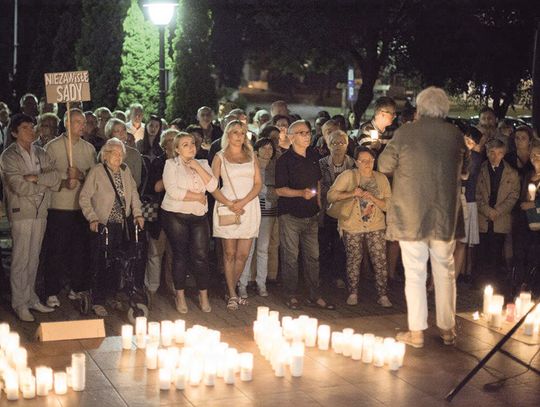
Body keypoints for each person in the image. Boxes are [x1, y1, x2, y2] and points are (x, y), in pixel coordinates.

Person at [378, 87, 467, 348]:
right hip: (444, 215)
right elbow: (466, 168)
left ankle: (416, 332)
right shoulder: (455, 134)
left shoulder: (406, 132)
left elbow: (384, 166)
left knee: (415, 273)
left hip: (411, 214)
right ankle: (448, 329)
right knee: (445, 271)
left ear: (420, 108)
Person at [0, 114, 60, 321]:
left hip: (40, 211)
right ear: (15, 132)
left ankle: (31, 297)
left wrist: (35, 178)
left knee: (34, 257)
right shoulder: (9, 156)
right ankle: (19, 302)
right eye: (25, 127)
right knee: (20, 258)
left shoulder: (41, 153)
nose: (31, 130)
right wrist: (42, 183)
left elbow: (56, 178)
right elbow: (18, 186)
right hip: (21, 212)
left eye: (32, 126)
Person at [79, 138, 144, 316]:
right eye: (114, 153)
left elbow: (134, 194)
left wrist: (137, 213)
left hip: (121, 225)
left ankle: (112, 295)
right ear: (106, 155)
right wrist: (92, 218)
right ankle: (97, 299)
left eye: (121, 153)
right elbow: (84, 197)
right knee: (100, 262)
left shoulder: (125, 170)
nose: (118, 157)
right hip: (102, 226)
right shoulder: (97, 171)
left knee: (118, 262)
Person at [275, 120, 335, 311]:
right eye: (302, 133)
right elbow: (280, 190)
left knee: (313, 257)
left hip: (311, 216)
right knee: (290, 257)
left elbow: (317, 181)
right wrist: (301, 193)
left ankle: (314, 294)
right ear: (292, 138)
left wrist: (319, 206)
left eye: (308, 132)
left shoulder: (313, 155)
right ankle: (290, 294)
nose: (307, 135)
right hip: (290, 215)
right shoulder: (283, 161)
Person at [42, 108, 97, 308]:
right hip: (59, 207)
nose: (82, 126)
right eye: (77, 122)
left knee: (79, 250)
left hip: (81, 207)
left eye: (83, 122)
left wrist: (81, 175)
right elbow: (45, 176)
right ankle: (51, 291)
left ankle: (76, 287)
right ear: (67, 123)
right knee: (56, 251)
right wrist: (65, 181)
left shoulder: (89, 149)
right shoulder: (52, 147)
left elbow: (94, 176)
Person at [328, 146, 392, 307]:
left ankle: (382, 294)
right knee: (354, 259)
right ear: (356, 162)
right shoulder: (349, 176)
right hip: (352, 224)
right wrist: (352, 194)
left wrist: (374, 199)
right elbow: (331, 195)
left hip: (376, 224)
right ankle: (353, 292)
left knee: (380, 260)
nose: (367, 164)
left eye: (370, 160)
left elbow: (389, 206)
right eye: (363, 161)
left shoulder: (381, 179)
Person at [161, 132, 217, 313]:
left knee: (201, 256)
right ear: (176, 149)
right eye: (185, 144)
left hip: (199, 216)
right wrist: (197, 196)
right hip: (175, 215)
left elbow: (213, 186)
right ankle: (180, 296)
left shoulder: (203, 163)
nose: (191, 147)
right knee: (180, 255)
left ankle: (204, 296)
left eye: (192, 143)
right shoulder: (171, 164)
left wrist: (197, 167)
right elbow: (172, 191)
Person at [211, 120, 262, 310]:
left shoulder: (251, 155)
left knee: (243, 254)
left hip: (248, 206)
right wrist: (230, 203)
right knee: (229, 253)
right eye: (235, 132)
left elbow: (258, 184)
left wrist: (243, 201)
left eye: (242, 132)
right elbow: (213, 186)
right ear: (228, 135)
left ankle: (230, 288)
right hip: (228, 206)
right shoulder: (220, 156)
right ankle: (233, 294)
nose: (239, 136)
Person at [476, 138, 520, 293]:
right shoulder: (481, 170)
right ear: (487, 153)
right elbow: (477, 194)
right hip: (484, 217)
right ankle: (482, 283)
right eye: (492, 153)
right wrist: (488, 211)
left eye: (499, 153)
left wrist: (498, 211)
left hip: (500, 219)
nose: (495, 157)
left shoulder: (511, 173)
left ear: (504, 153)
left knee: (496, 252)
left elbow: (513, 196)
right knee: (483, 252)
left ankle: (494, 283)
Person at [238, 138, 278, 297]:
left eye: (270, 148)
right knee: (248, 249)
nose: (267, 151)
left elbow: (278, 188)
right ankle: (243, 283)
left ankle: (261, 283)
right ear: (257, 150)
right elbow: (254, 186)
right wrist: (269, 191)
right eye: (264, 148)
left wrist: (270, 191)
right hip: (251, 210)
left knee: (263, 248)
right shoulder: (250, 165)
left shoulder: (275, 167)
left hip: (269, 212)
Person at [142, 129, 178, 304]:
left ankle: (173, 288)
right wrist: (172, 174)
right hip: (161, 215)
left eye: (175, 139)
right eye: (169, 139)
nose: (173, 142)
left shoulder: (185, 162)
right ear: (164, 145)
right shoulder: (158, 163)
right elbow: (156, 187)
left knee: (175, 254)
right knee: (156, 252)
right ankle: (152, 288)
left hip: (179, 215)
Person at [319, 130, 355, 289]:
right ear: (328, 145)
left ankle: (338, 275)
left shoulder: (353, 165)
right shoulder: (321, 164)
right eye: (334, 143)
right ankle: (321, 275)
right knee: (323, 243)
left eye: (342, 143)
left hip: (346, 212)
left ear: (347, 145)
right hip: (325, 210)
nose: (338, 146)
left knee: (341, 246)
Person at [454, 126, 483, 281]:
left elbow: (465, 176)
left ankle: (459, 274)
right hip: (452, 198)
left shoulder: (475, 158)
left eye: (471, 143)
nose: (467, 145)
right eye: (466, 140)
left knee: (462, 242)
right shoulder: (452, 153)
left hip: (467, 199)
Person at [104, 118, 143, 188]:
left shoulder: (135, 154)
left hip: (129, 193)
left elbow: (137, 182)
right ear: (110, 135)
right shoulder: (104, 153)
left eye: (124, 130)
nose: (122, 134)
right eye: (117, 131)